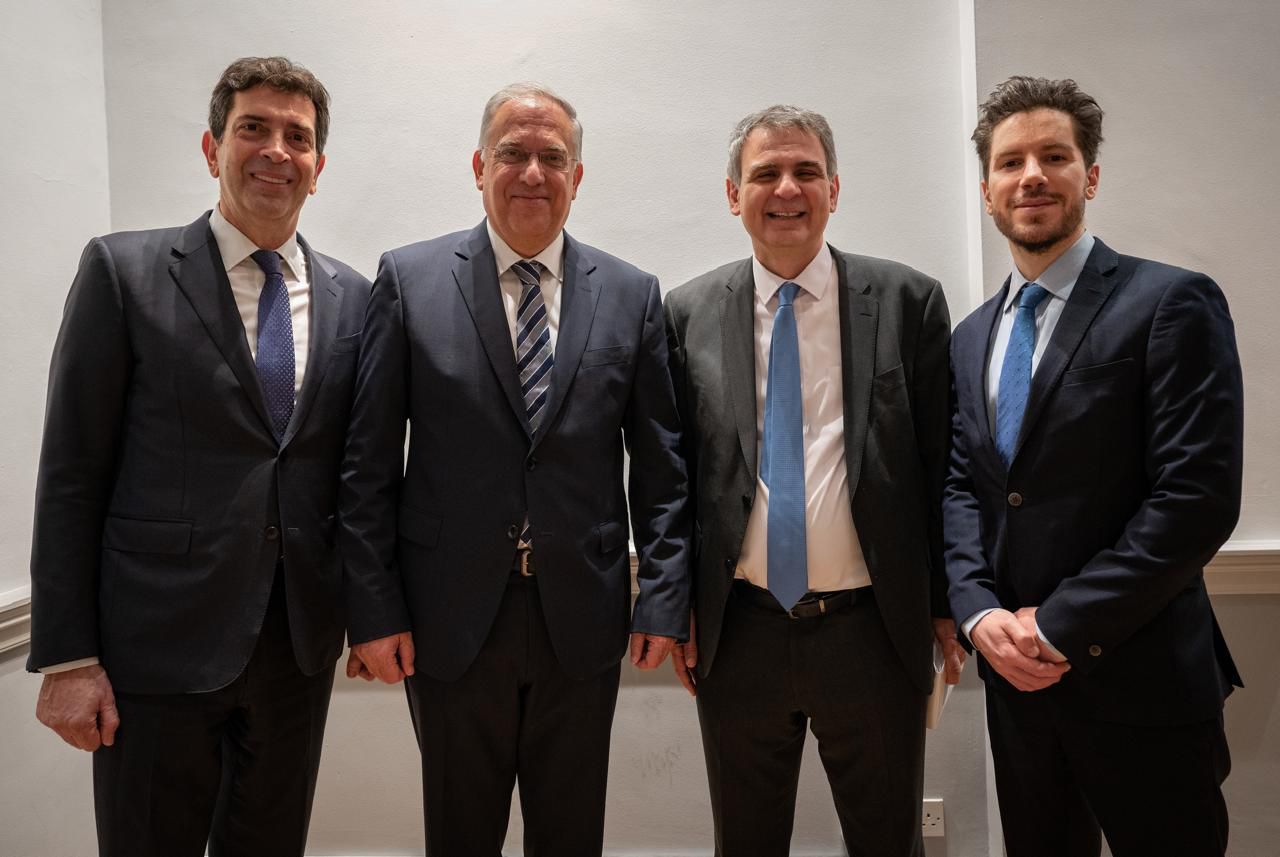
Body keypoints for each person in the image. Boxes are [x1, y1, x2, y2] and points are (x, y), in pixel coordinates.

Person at [28, 56, 369, 856]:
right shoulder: (124, 272)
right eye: (253, 128)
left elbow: (358, 475)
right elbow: (72, 473)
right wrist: (68, 657)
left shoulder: (356, 297)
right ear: (213, 148)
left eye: (298, 137)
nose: (276, 150)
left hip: (295, 652)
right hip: (154, 650)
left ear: (318, 167)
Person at [340, 83, 689, 857]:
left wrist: (663, 598)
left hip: (583, 617)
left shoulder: (631, 295)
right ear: (478, 166)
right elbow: (367, 466)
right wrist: (373, 609)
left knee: (571, 835)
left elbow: (661, 469)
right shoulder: (409, 280)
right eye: (512, 153)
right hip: (448, 619)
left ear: (577, 176)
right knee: (460, 834)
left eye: (552, 157)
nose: (533, 172)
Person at [944, 75, 1244, 857]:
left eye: (1055, 156)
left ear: (1092, 175)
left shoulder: (1170, 302)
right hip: (1019, 688)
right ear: (986, 189)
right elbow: (964, 488)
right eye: (1011, 162)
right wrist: (977, 612)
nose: (1032, 176)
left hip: (1146, 685)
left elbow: (1196, 500)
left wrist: (1059, 623)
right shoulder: (970, 337)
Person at [662, 104, 963, 857]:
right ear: (734, 194)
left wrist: (945, 603)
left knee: (889, 841)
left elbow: (941, 465)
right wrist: (675, 605)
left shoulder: (908, 302)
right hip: (740, 632)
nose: (787, 188)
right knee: (746, 842)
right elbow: (674, 477)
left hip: (873, 631)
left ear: (835, 188)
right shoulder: (685, 313)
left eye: (806, 171)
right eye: (765, 173)